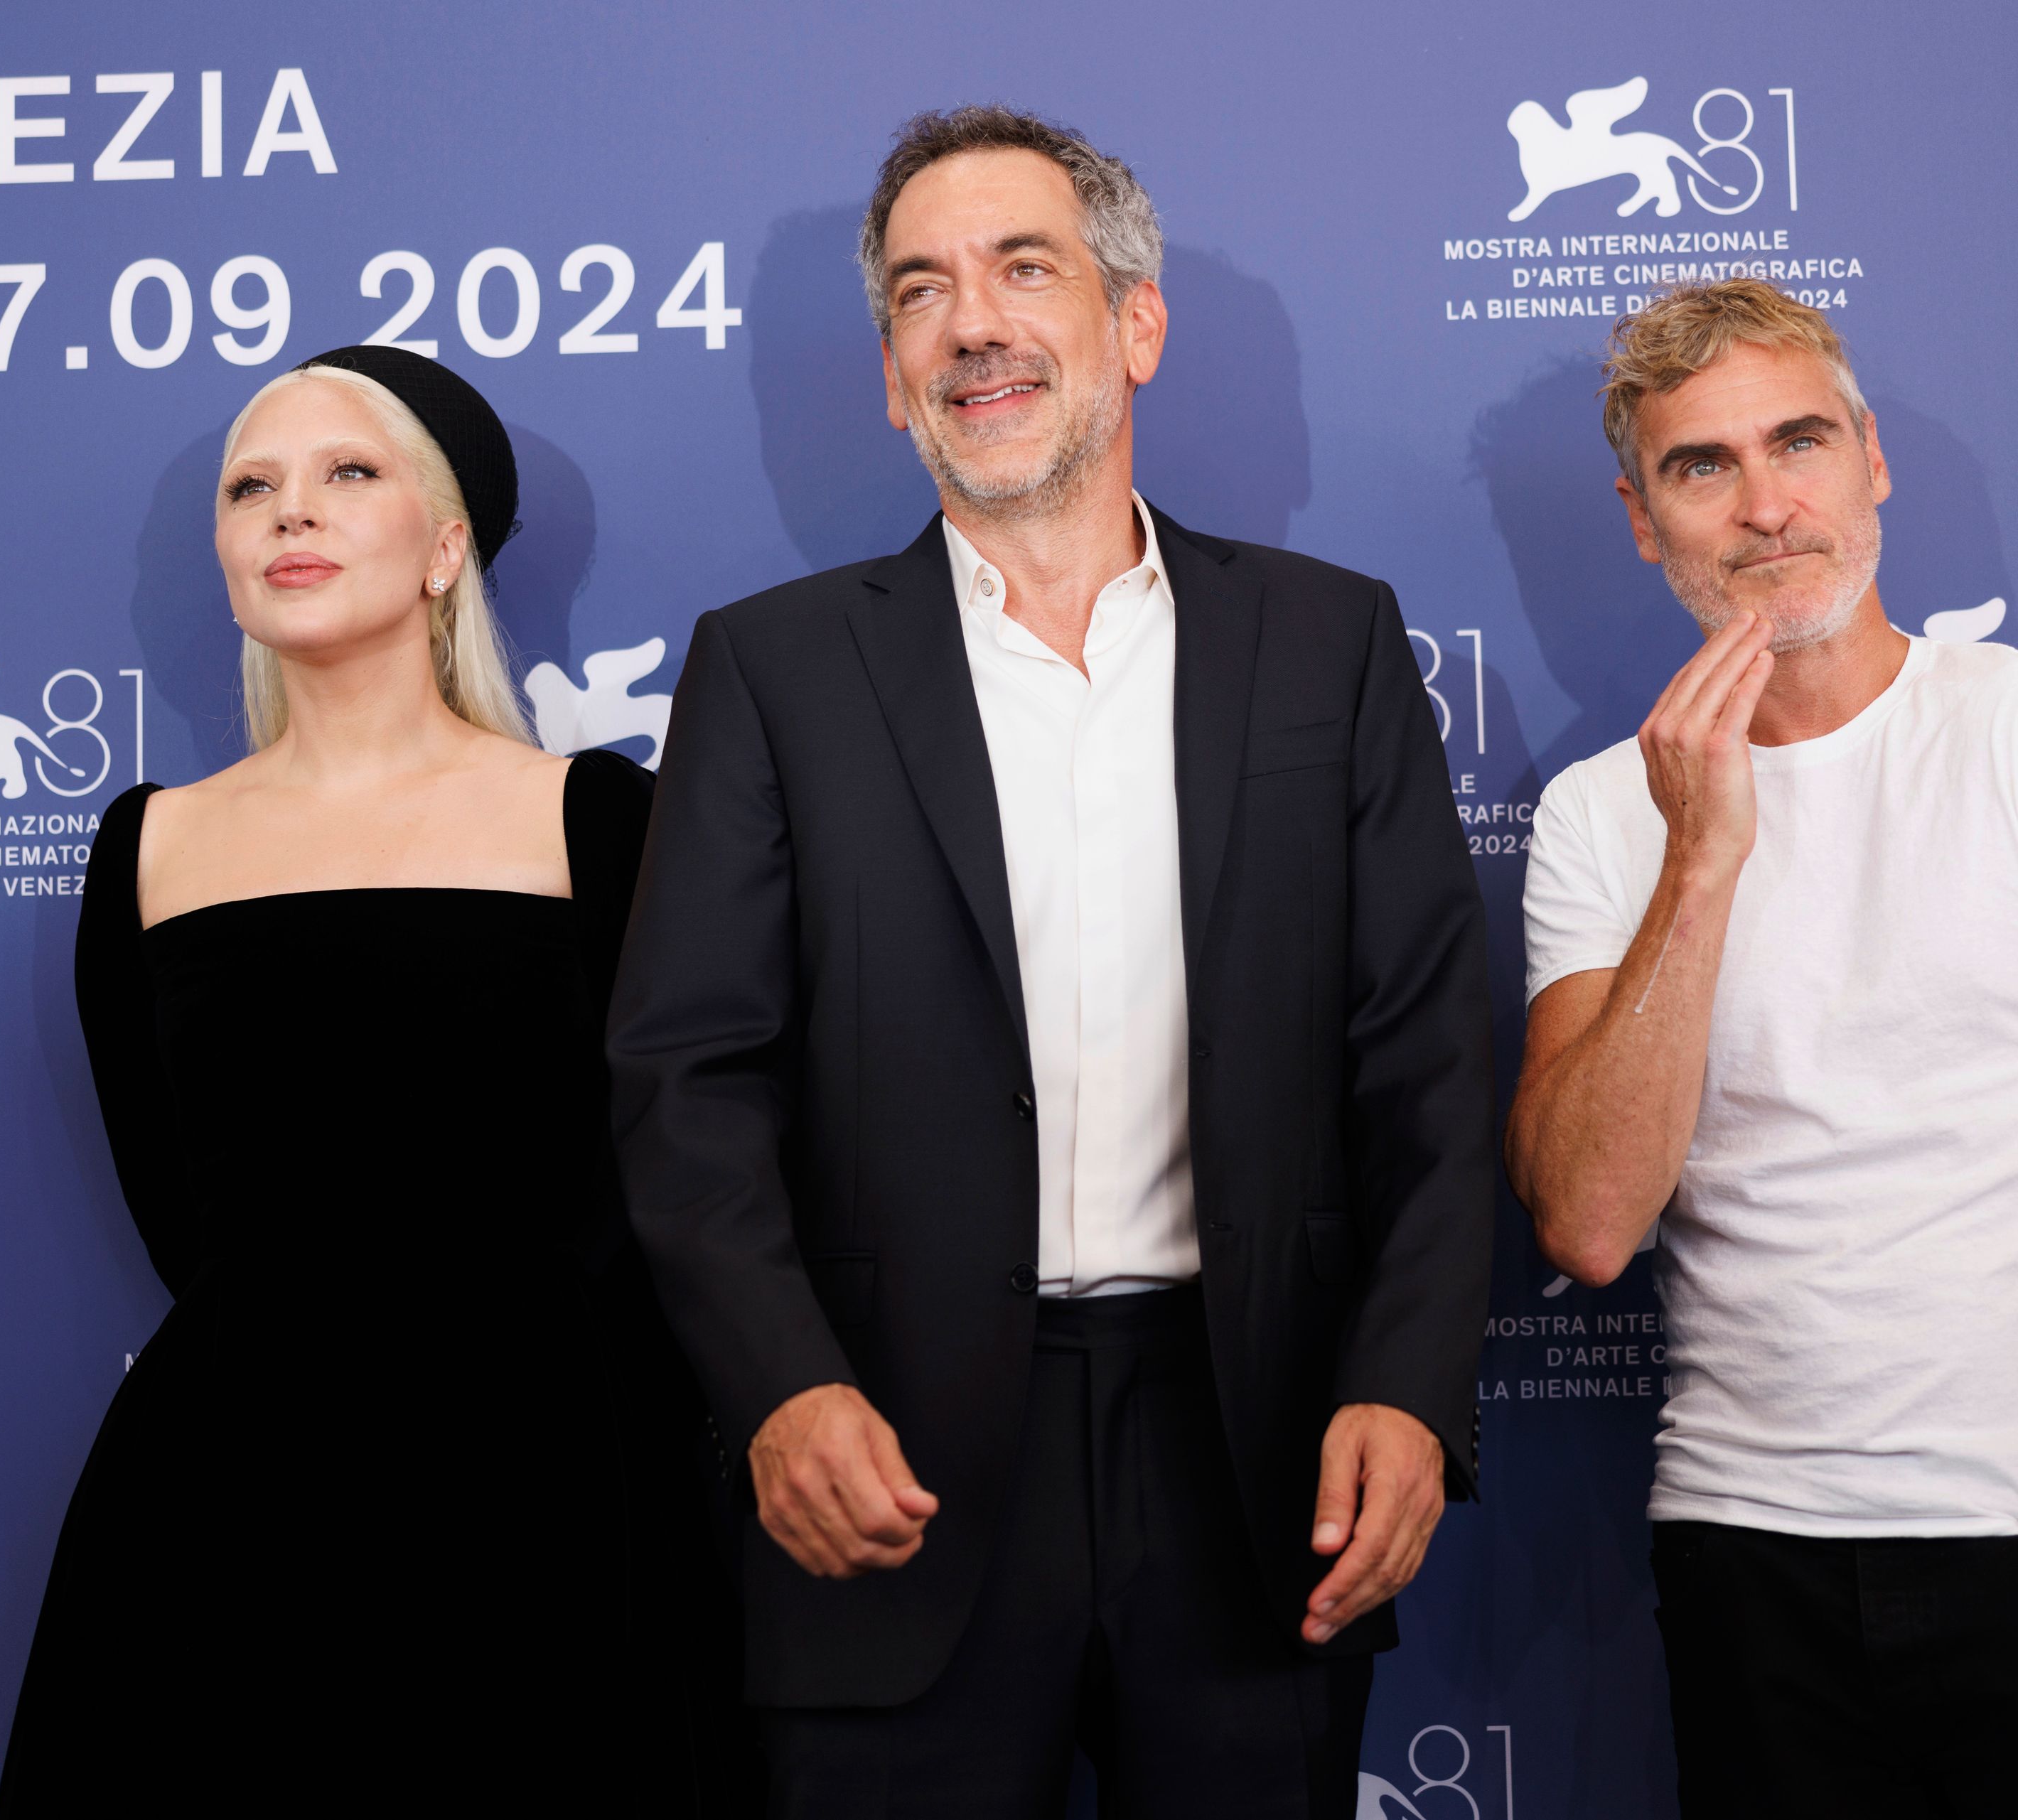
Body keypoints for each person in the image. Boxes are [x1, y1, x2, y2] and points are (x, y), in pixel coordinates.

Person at [609, 107, 1493, 1819]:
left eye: (1026, 269)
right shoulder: (773, 671)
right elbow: (684, 1081)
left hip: (1252, 1466)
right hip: (887, 1465)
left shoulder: (1332, 644)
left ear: (1133, 324)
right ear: (891, 377)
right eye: (923, 294)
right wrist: (782, 1385)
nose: (975, 325)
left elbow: (1429, 1067)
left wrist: (1407, 1385)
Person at [1503, 279, 2018, 1818]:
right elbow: (1592, 1220)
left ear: (1871, 459)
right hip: (1753, 1565)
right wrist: (1704, 861)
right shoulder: (1603, 815)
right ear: (1641, 518)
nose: (1766, 506)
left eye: (1799, 442)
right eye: (1704, 468)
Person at [0, 347, 747, 1815]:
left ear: (447, 543)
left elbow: (676, 1171)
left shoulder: (595, 819)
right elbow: (178, 1209)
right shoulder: (147, 849)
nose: (293, 515)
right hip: (235, 1505)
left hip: (551, 1496)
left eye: (349, 474)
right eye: (252, 489)